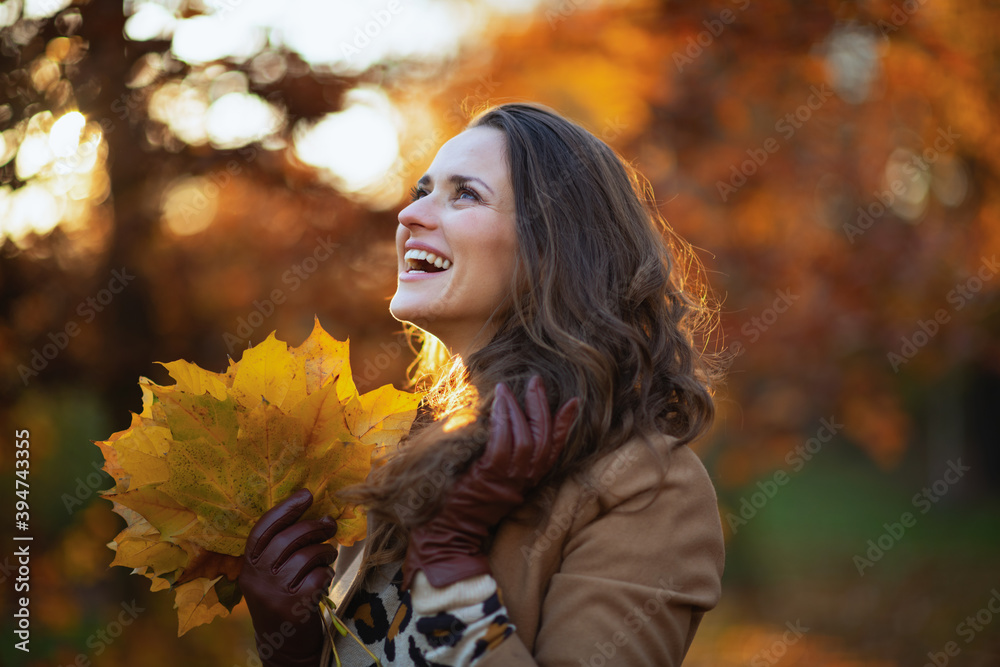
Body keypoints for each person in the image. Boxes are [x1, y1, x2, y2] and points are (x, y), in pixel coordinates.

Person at [238, 102, 725, 666]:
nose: (410, 215)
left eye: (464, 194)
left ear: (553, 250)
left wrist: (450, 565)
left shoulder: (647, 489)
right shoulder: (400, 451)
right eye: (422, 190)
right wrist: (293, 648)